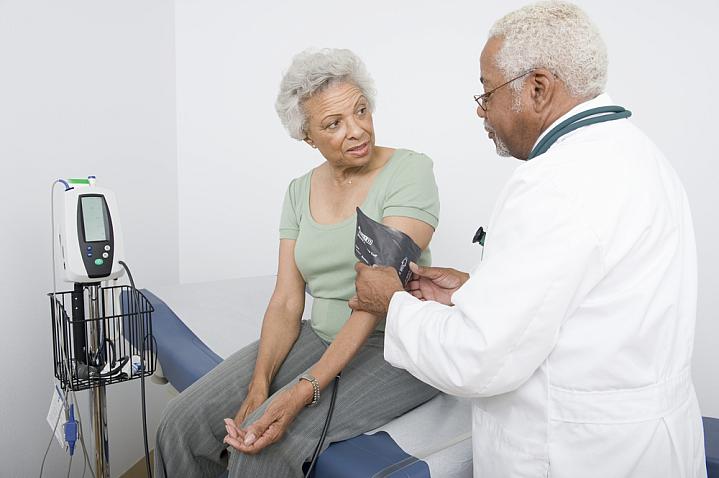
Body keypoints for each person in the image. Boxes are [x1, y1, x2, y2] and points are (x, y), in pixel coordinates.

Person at [350, 2, 707, 477]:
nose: (482, 111)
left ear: (537, 88)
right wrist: (475, 292)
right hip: (644, 441)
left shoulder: (555, 182)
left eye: (487, 91)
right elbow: (589, 301)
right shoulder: (637, 154)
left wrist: (392, 305)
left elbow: (478, 361)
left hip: (575, 454)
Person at [154, 48, 441, 478]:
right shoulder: (298, 191)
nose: (358, 130)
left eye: (361, 110)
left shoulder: (410, 172)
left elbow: (374, 296)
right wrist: (260, 383)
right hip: (320, 335)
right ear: (308, 137)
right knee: (179, 424)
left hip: (395, 347)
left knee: (263, 450)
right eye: (333, 124)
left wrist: (302, 389)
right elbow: (288, 300)